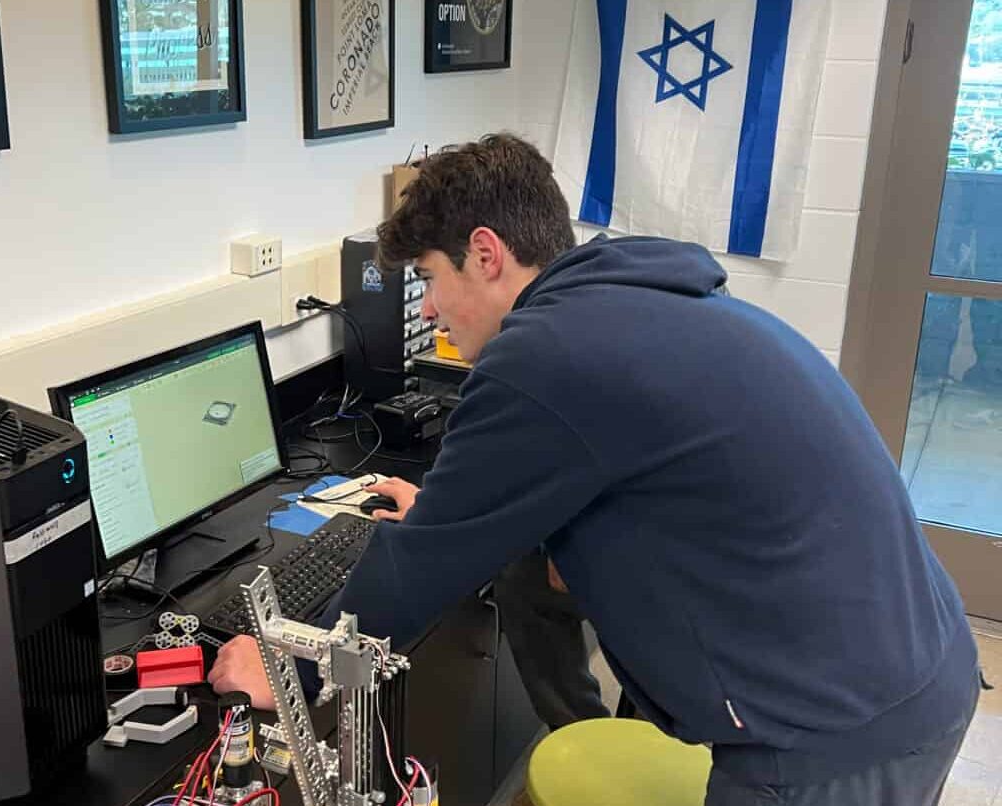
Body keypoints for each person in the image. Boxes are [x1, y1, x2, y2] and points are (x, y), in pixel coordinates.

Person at [210, 133, 980, 805]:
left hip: (836, 727)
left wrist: (285, 665)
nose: (432, 310)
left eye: (431, 280)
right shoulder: (625, 297)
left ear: (486, 253)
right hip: (908, 659)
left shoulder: (543, 356)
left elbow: (413, 573)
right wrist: (448, 510)